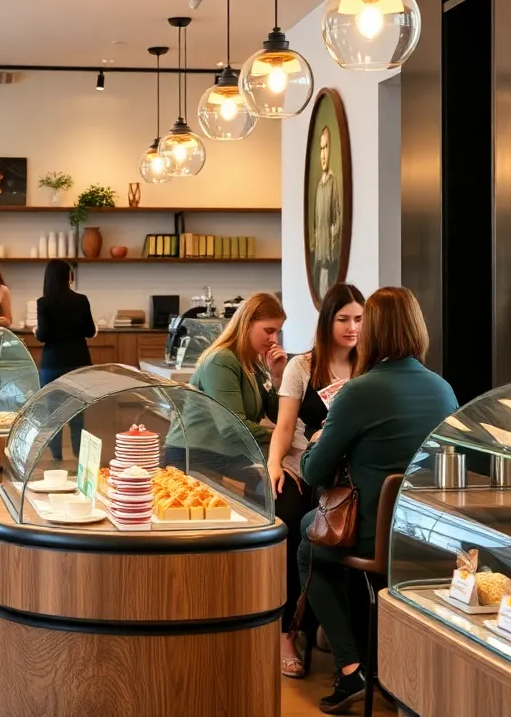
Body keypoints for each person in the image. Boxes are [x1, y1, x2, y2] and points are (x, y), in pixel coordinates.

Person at [297, 286, 458, 713]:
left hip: (373, 534)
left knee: (309, 544)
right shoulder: (443, 390)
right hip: (430, 534)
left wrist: (316, 440)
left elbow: (314, 472)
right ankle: (384, 664)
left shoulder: (358, 391)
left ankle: (351, 668)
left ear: (373, 332)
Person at [269, 283, 365, 678]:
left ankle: (331, 623)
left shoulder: (370, 365)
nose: (352, 328)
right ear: (327, 321)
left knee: (350, 532)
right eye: (343, 319)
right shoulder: (302, 366)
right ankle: (287, 632)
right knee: (291, 524)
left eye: (359, 319)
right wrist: (274, 463)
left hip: (351, 474)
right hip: (305, 464)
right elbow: (284, 426)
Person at [168, 293, 288, 475]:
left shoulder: (253, 361)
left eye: (277, 332)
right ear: (247, 323)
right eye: (268, 331)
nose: (274, 340)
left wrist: (277, 378)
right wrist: (281, 437)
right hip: (192, 459)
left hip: (221, 457)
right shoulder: (222, 359)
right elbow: (232, 428)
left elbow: (277, 416)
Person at [35, 259, 96, 460]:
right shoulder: (81, 300)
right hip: (78, 362)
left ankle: (57, 458)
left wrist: (36, 332)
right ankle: (79, 457)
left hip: (52, 363)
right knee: (77, 413)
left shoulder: (43, 303)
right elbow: (89, 331)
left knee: (53, 414)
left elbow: (43, 335)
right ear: (68, 277)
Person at [313, 125, 343, 294]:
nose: (323, 154)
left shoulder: (332, 182)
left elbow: (337, 216)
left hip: (329, 257)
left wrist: (332, 240)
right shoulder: (319, 186)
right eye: (321, 149)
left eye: (325, 148)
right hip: (319, 256)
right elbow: (317, 221)